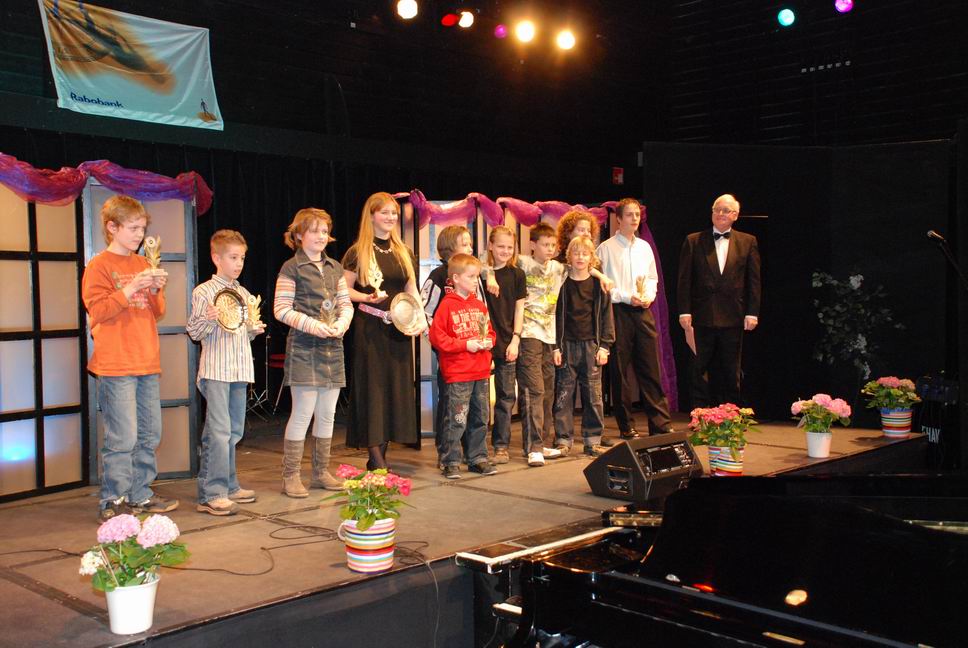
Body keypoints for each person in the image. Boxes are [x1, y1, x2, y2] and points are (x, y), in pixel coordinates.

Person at [81, 195, 177, 521]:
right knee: (122, 437)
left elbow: (157, 311)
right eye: (133, 228)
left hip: (146, 359)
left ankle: (141, 494)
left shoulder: (142, 263)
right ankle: (113, 498)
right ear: (112, 227)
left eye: (142, 228)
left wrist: (155, 289)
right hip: (116, 363)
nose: (140, 234)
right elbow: (98, 311)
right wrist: (132, 287)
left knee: (149, 434)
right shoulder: (98, 266)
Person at [488, 222, 611, 467]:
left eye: (553, 245)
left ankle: (541, 441)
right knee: (533, 390)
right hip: (528, 335)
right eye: (545, 245)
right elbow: (488, 260)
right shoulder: (522, 263)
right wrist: (490, 274)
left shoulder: (558, 268)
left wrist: (602, 276)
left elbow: (583, 265)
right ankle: (532, 447)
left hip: (550, 336)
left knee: (548, 391)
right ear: (532, 245)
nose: (550, 249)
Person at [274, 209, 353, 498]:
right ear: (299, 235)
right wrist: (314, 326)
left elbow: (346, 304)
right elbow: (281, 309)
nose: (321, 236)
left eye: (324, 231)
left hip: (332, 348)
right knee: (302, 413)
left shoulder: (335, 267)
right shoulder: (291, 268)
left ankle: (320, 472)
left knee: (327, 414)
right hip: (305, 348)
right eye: (314, 230)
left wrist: (342, 324)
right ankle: (291, 476)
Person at [342, 193, 425, 470]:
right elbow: (343, 290)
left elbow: (411, 289)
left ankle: (377, 460)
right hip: (370, 331)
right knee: (374, 392)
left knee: (393, 391)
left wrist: (419, 319)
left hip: (398, 330)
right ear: (371, 216)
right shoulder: (357, 252)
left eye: (393, 213)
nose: (390, 217)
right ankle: (378, 462)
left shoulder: (404, 252)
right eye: (384, 212)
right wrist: (366, 297)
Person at [187, 230, 265, 515]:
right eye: (233, 257)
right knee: (218, 432)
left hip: (239, 369)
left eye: (242, 258)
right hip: (217, 370)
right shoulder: (204, 292)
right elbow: (194, 331)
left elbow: (242, 331)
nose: (239, 263)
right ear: (216, 258)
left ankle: (230, 485)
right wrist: (207, 319)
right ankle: (212, 492)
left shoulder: (243, 294)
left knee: (233, 431)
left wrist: (253, 330)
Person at [596, 198, 675, 438]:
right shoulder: (606, 248)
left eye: (637, 215)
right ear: (618, 219)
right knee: (620, 370)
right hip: (618, 311)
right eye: (629, 215)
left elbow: (652, 278)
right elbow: (602, 286)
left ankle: (660, 424)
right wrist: (626, 296)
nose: (634, 219)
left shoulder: (644, 247)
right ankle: (626, 425)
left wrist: (648, 295)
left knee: (651, 367)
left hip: (642, 311)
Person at [677, 193, 761, 407]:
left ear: (735, 215)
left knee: (731, 368)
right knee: (697, 367)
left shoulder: (748, 241)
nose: (721, 214)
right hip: (701, 315)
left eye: (726, 210)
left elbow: (753, 280)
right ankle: (699, 413)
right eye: (717, 210)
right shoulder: (694, 240)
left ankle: (731, 413)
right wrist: (684, 311)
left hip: (733, 315)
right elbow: (684, 280)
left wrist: (752, 312)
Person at [429, 254, 498, 479]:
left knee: (480, 417)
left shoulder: (479, 306)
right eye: (471, 276)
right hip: (458, 372)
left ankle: (477, 458)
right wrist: (464, 345)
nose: (476, 281)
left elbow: (489, 332)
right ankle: (450, 460)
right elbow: (437, 338)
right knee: (456, 418)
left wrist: (488, 341)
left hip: (480, 370)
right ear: (456, 278)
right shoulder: (447, 306)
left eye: (477, 276)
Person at [420, 224, 478, 464]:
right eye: (465, 244)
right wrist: (440, 341)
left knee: (474, 405)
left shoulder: (474, 278)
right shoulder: (437, 276)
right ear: (449, 248)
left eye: (470, 243)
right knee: (450, 403)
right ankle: (447, 452)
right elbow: (424, 312)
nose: (470, 248)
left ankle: (473, 452)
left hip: (473, 354)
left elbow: (481, 311)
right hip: (450, 354)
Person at [552, 236, 615, 457]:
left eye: (585, 253)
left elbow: (607, 316)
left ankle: (592, 440)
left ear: (591, 257)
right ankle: (563, 439)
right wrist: (555, 347)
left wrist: (605, 346)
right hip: (566, 346)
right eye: (576, 253)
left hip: (591, 346)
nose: (580, 257)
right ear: (569, 256)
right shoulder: (560, 283)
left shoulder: (599, 285)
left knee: (593, 396)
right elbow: (553, 317)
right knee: (563, 394)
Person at [481, 226, 526, 464]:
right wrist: (489, 273)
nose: (505, 251)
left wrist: (516, 339)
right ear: (490, 246)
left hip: (508, 342)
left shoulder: (517, 274)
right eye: (500, 246)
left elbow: (519, 309)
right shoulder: (480, 273)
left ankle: (500, 446)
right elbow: (473, 263)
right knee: (478, 398)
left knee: (506, 397)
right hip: (482, 343)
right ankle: (476, 447)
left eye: (510, 247)